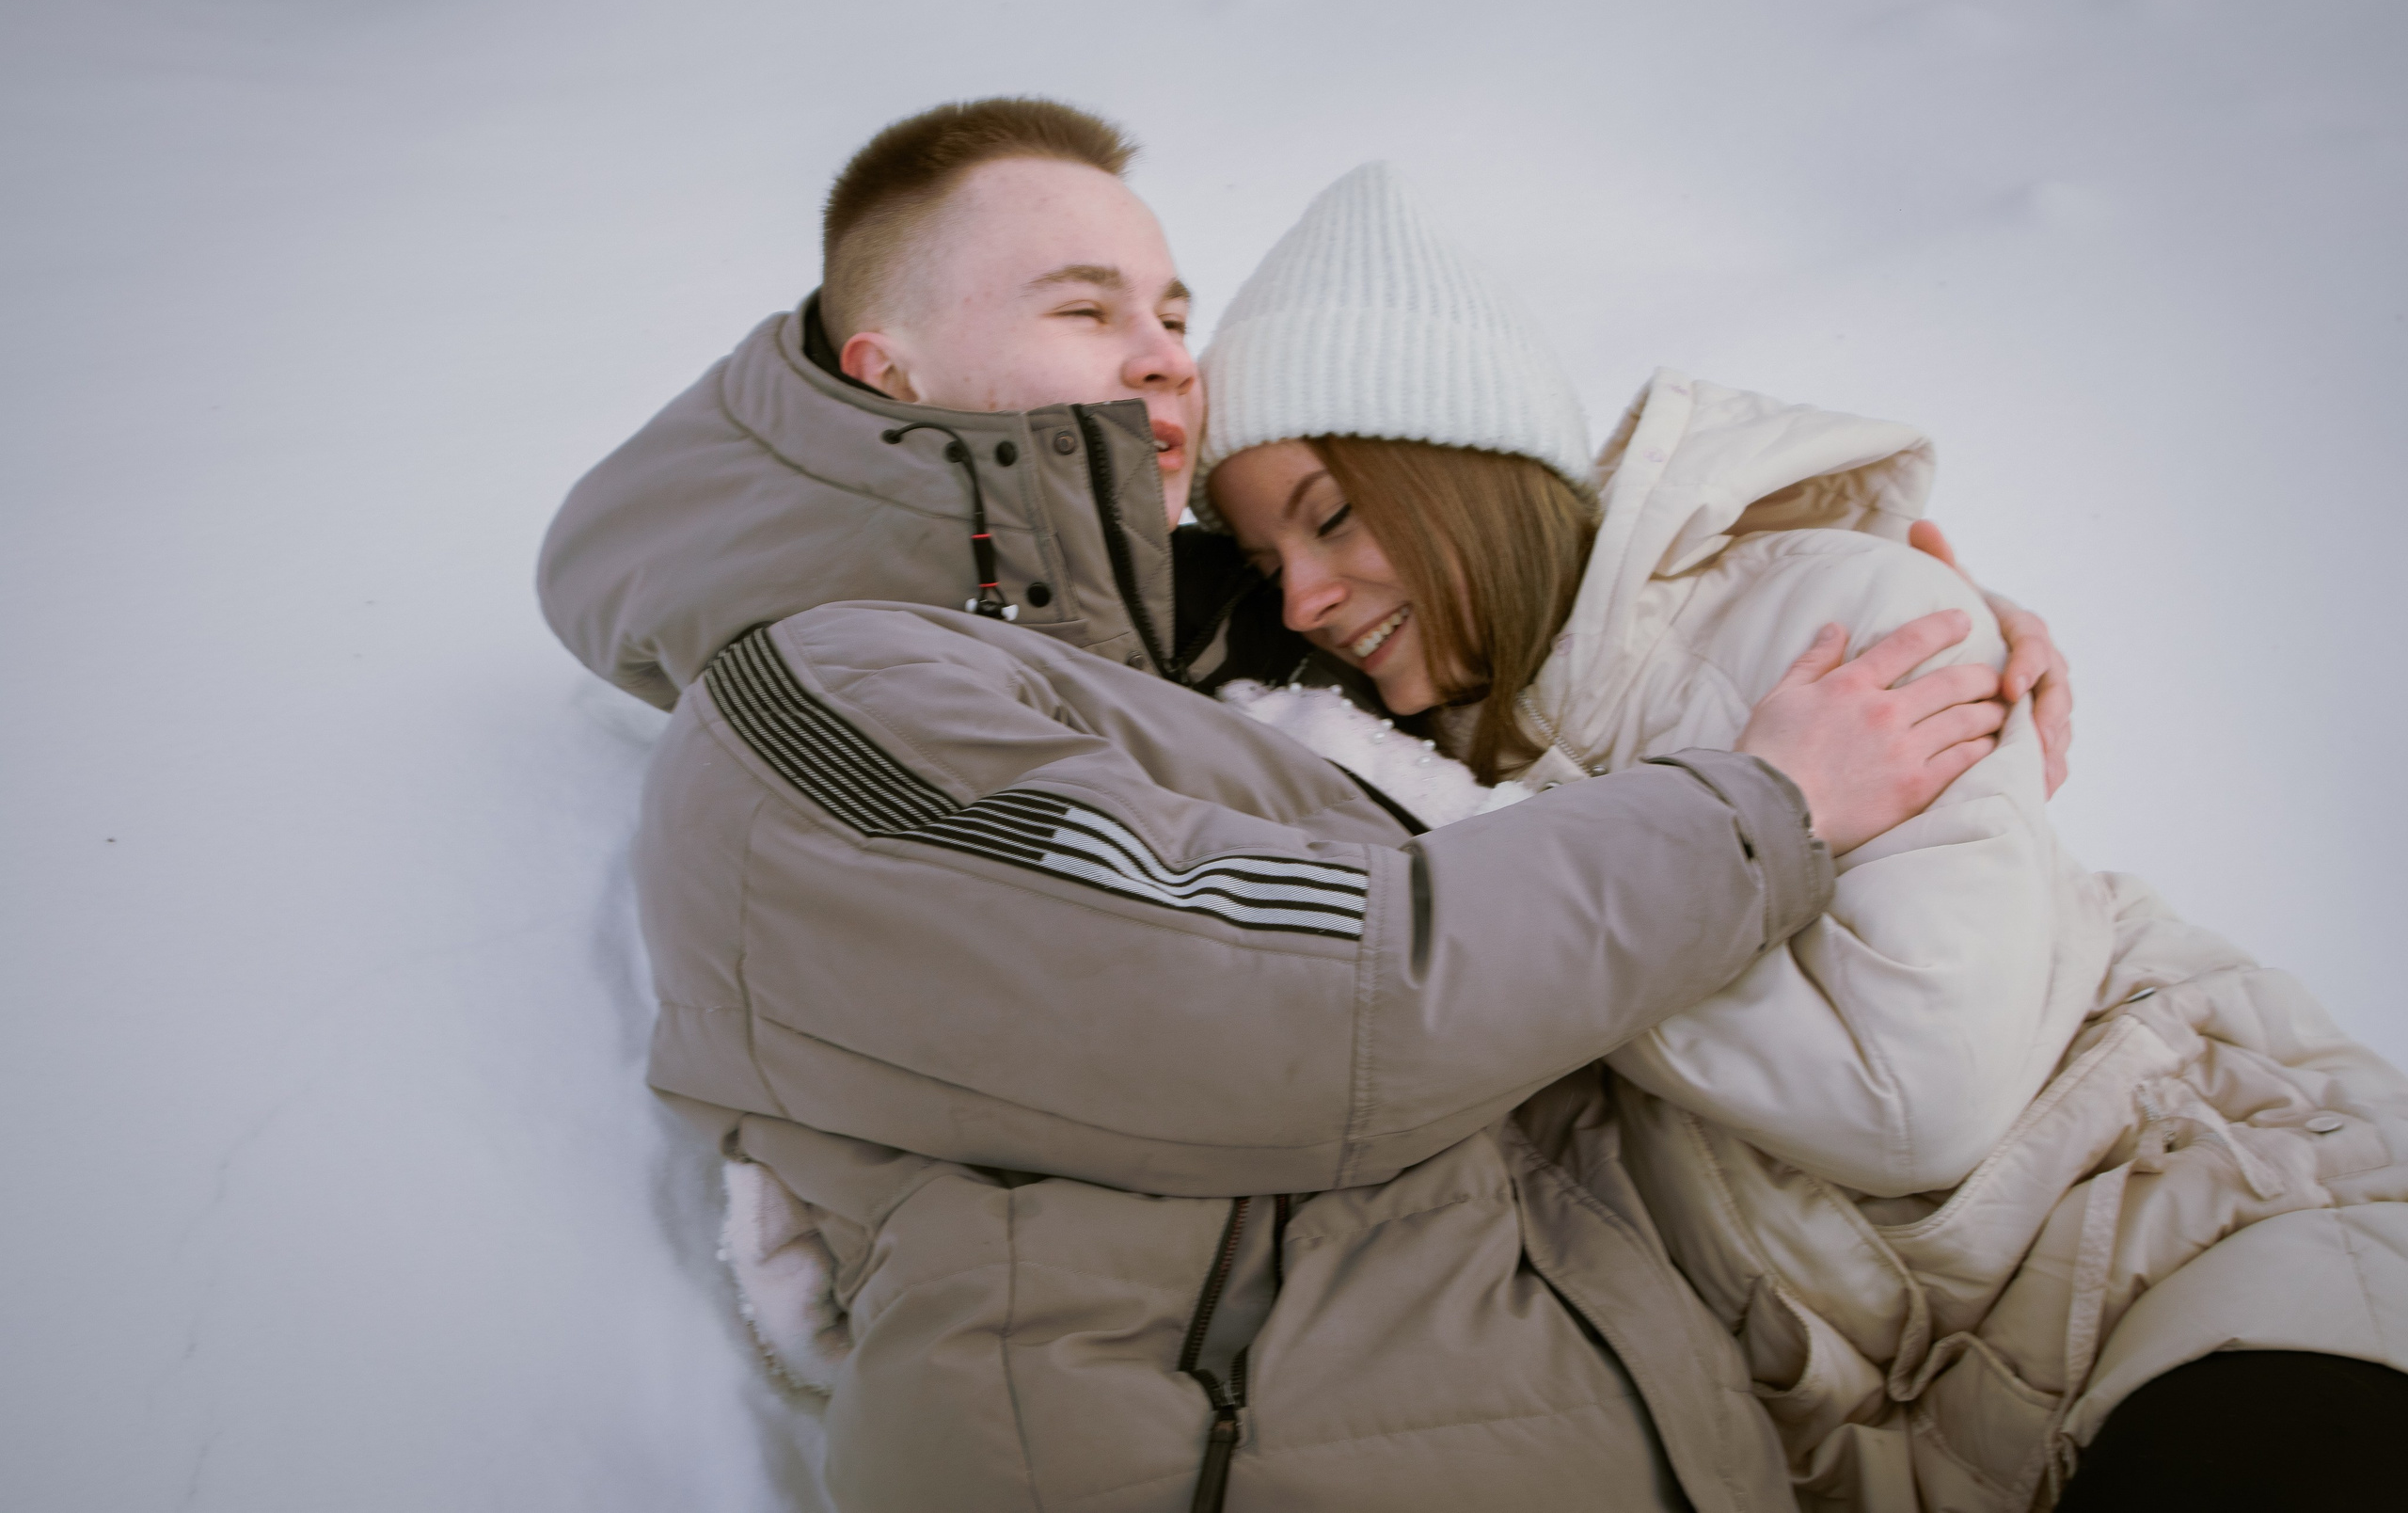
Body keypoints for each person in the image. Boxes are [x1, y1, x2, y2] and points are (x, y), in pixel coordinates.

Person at [537, 99, 2070, 1511]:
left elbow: (1517, 592)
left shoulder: (1188, 645)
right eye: (1084, 307)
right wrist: (1770, 804)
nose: (1162, 357)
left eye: (1174, 314)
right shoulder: (822, 689)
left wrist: (1899, 611)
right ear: (895, 372)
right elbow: (1305, 995)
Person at [1199, 162, 2408, 1512]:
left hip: (2190, 1235)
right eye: (1264, 566)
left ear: (1461, 467)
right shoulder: (1417, 777)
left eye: (1335, 514)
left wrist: (1517, 867)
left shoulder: (1838, 620)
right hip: (1925, 1412)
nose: (1304, 598)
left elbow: (1914, 1106)